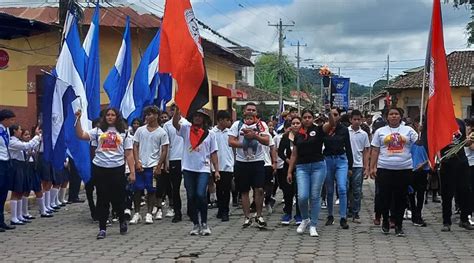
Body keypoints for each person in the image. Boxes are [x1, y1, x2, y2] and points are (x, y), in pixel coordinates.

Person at [75, 108, 135, 239]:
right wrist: (78, 120)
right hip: (100, 168)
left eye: (113, 115)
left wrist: (132, 172)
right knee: (102, 199)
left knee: (118, 198)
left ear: (117, 117)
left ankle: (122, 221)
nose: (110, 117)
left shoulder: (124, 132)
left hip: (117, 168)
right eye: (108, 115)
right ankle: (102, 228)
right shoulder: (97, 131)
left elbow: (129, 154)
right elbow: (81, 135)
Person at [369, 107, 418, 236]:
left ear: (401, 116)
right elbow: (375, 150)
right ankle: (385, 220)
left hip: (404, 169)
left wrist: (421, 131)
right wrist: (372, 167)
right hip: (385, 168)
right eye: (391, 114)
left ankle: (398, 224)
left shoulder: (408, 130)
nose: (394, 116)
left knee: (401, 198)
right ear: (387, 117)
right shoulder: (380, 131)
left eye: (396, 114)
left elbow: (418, 142)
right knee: (385, 197)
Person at [287, 109, 336, 237]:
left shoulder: (319, 130)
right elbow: (294, 154)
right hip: (302, 167)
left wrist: (330, 112)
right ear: (302, 119)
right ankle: (305, 219)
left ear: (313, 118)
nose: (307, 119)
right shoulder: (297, 134)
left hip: (318, 166)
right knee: (302, 196)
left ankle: (313, 225)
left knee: (315, 196)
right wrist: (289, 171)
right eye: (305, 117)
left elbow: (331, 124)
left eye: (309, 117)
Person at [173, 107, 219, 236]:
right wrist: (177, 111)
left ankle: (204, 223)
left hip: (203, 168)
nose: (197, 118)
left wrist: (216, 170)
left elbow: (213, 152)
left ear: (204, 119)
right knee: (191, 196)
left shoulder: (210, 134)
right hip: (188, 168)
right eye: (195, 116)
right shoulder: (186, 130)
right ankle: (195, 223)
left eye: (200, 116)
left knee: (200, 194)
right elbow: (175, 124)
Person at [229, 102, 270, 228]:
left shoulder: (261, 125)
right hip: (242, 162)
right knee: (244, 191)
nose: (251, 112)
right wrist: (244, 145)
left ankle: (259, 215)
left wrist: (255, 136)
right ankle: (247, 217)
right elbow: (231, 141)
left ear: (256, 113)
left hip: (257, 162)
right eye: (248, 110)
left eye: (253, 110)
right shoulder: (237, 125)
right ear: (244, 111)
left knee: (259, 189)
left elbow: (267, 141)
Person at [130, 106, 169, 225]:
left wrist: (159, 166)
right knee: (137, 189)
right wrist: (137, 161)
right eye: (146, 115)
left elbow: (164, 150)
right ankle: (136, 213)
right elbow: (135, 146)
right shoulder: (140, 130)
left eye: (150, 114)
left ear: (156, 115)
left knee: (151, 189)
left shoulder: (162, 132)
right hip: (141, 164)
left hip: (153, 165)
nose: (147, 117)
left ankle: (149, 213)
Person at [438, 118, 474, 232]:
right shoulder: (439, 123)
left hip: (462, 162)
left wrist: (469, 140)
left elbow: (466, 143)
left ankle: (464, 219)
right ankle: (446, 222)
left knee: (465, 191)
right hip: (447, 162)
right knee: (447, 194)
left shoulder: (460, 123)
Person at [323, 107, 353, 229]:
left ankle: (343, 217)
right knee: (329, 190)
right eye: (331, 114)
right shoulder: (324, 129)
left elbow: (349, 147)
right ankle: (330, 215)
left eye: (336, 114)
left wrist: (350, 166)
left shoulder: (344, 130)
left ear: (339, 116)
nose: (333, 117)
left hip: (341, 160)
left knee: (342, 187)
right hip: (327, 160)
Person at [8, 124, 42, 225]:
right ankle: (14, 217)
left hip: (22, 165)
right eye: (19, 130)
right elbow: (26, 146)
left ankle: (19, 215)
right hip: (16, 165)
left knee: (20, 191)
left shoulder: (17, 141)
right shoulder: (12, 141)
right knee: (16, 191)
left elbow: (29, 148)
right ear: (14, 131)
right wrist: (36, 136)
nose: (20, 131)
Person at [163, 104, 186, 223]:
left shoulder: (187, 123)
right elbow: (166, 144)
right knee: (175, 188)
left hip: (186, 159)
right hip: (174, 158)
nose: (174, 112)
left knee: (189, 187)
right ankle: (177, 211)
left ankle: (192, 210)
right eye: (172, 110)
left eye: (176, 109)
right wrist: (166, 161)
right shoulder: (167, 125)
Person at [277, 119, 302, 225]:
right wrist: (288, 161)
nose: (295, 125)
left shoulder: (303, 136)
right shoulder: (285, 137)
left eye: (297, 123)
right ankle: (287, 213)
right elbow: (280, 152)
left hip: (301, 166)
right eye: (293, 124)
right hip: (287, 167)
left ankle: (299, 214)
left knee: (300, 193)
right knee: (288, 192)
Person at [348, 110, 370, 223]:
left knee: (357, 190)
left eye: (359, 119)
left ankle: (356, 212)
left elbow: (366, 151)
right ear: (350, 120)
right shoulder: (345, 132)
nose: (357, 121)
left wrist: (366, 167)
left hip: (358, 165)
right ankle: (348, 210)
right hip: (346, 164)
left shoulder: (364, 134)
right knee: (346, 188)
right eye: (354, 119)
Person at [212, 110, 234, 222]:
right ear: (220, 120)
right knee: (219, 189)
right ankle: (220, 208)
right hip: (215, 166)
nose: (229, 122)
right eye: (227, 120)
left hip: (228, 165)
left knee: (226, 189)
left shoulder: (230, 133)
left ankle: (225, 210)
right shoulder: (212, 132)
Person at [0, 109, 17, 231]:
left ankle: (1, 221)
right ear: (5, 119)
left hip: (6, 162)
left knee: (4, 193)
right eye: (11, 120)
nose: (12, 122)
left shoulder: (6, 130)